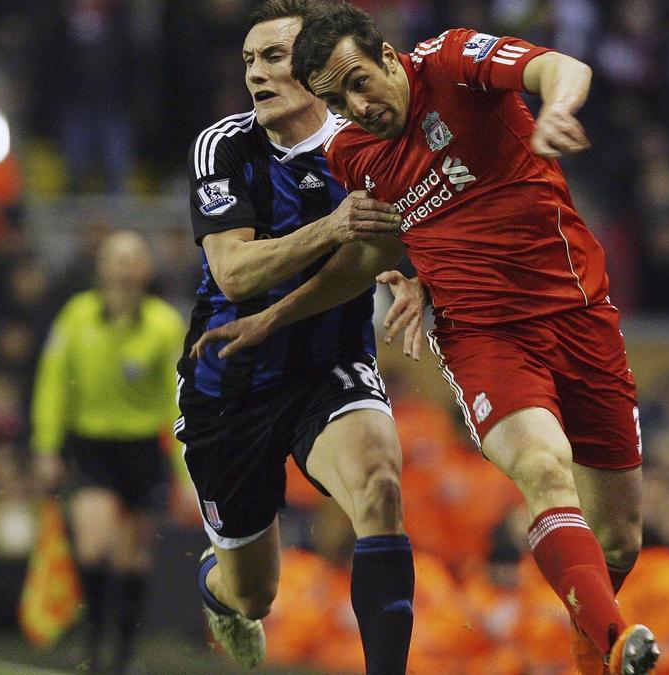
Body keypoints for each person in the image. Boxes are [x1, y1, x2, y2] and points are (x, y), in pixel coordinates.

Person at [195, 3, 660, 672]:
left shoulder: (452, 62)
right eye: (336, 99)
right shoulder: (353, 154)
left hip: (580, 317)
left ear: (389, 57)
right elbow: (366, 256)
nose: (357, 106)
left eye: (359, 81)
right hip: (485, 339)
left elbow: (562, 65)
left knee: (617, 539)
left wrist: (556, 109)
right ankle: (619, 646)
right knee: (543, 471)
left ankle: (601, 649)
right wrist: (275, 316)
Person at [177, 1, 427, 672]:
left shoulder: (369, 141)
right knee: (255, 593)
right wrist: (337, 226)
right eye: (249, 61)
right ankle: (219, 591)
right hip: (230, 382)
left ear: (317, 71)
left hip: (331, 363)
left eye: (274, 57)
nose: (256, 73)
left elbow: (404, 235)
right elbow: (233, 272)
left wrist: (410, 271)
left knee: (379, 489)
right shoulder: (224, 146)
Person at [30, 231, 186, 673]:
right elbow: (53, 384)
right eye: (116, 258)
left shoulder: (164, 325)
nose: (125, 266)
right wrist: (46, 447)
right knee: (93, 547)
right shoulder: (76, 317)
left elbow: (174, 401)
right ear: (102, 267)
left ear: (146, 269)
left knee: (132, 558)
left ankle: (123, 653)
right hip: (93, 447)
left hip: (141, 450)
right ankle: (93, 643)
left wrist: (185, 470)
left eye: (134, 257)